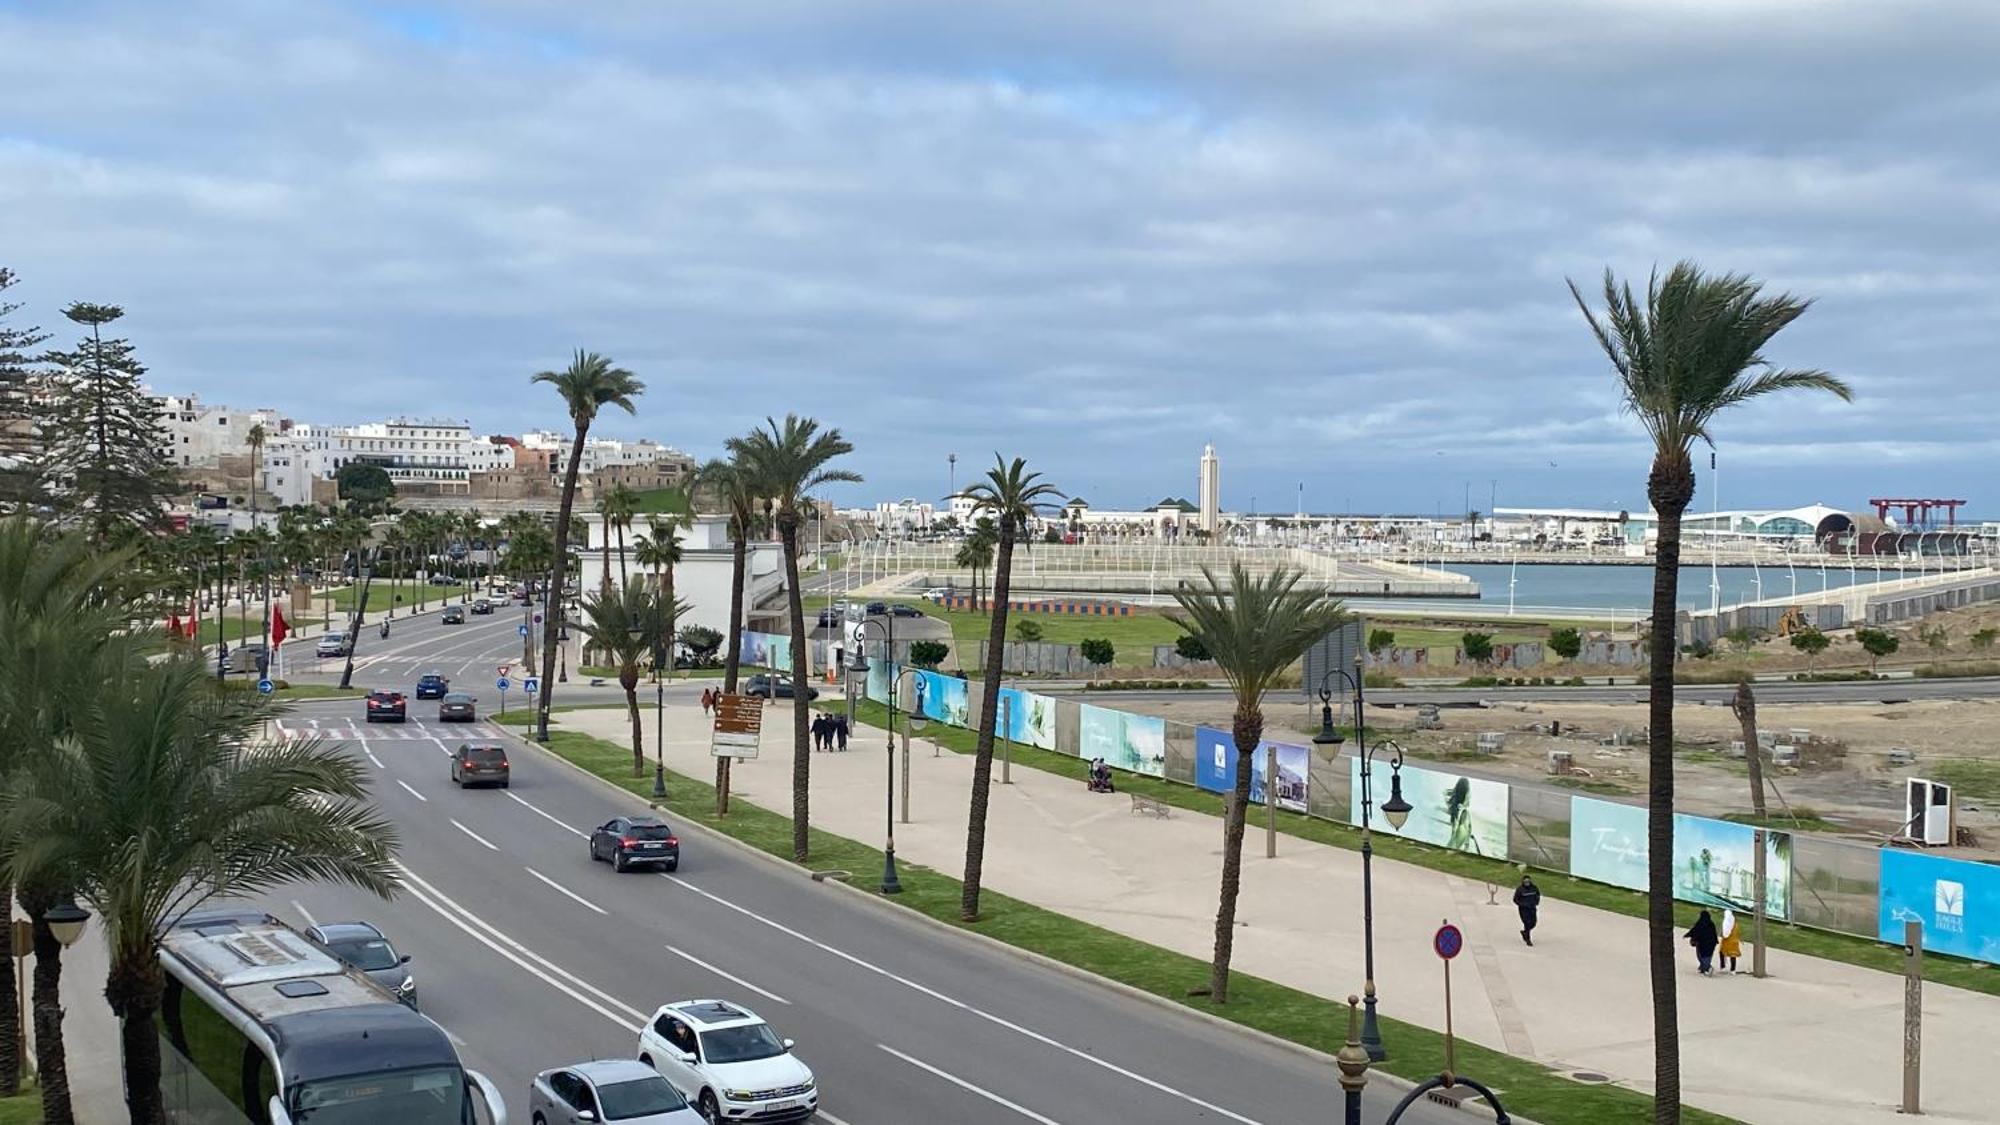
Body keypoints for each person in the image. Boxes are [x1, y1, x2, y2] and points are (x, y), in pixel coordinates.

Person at [1686, 909, 1720, 976]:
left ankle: (1707, 968)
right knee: (1707, 956)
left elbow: (1695, 931)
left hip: (1702, 943)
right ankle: (1703, 967)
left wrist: (1688, 935)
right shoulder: (1711, 924)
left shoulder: (1700, 923)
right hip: (1711, 943)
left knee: (1701, 956)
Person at [1513, 874, 1542, 946]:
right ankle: (1528, 940)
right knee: (1527, 923)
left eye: (1528, 881)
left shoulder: (1534, 888)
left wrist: (1536, 902)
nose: (1527, 883)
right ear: (1523, 882)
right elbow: (1515, 899)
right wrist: (1522, 904)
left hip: (1532, 908)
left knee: (1533, 923)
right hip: (1524, 910)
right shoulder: (1520, 889)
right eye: (1525, 881)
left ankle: (1525, 932)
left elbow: (1538, 895)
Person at [1718, 909, 1742, 973]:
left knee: (1722, 952)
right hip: (1734, 941)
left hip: (1727, 941)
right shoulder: (1734, 922)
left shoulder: (1726, 922)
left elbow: (1725, 933)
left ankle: (1722, 966)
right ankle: (1733, 969)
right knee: (1733, 955)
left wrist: (1722, 935)